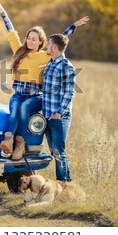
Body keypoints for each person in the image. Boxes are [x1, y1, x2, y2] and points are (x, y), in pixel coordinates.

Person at [0, 0, 88, 161]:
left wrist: (75, 25)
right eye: (28, 38)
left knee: (23, 108)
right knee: (14, 109)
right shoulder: (19, 50)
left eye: (34, 39)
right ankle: (8, 142)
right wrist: (3, 12)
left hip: (35, 96)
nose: (30, 41)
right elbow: (11, 31)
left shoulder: (45, 55)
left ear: (41, 42)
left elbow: (62, 37)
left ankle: (20, 144)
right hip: (19, 93)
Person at [42, 34, 76, 182]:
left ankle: (64, 184)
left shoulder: (66, 66)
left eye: (48, 44)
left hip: (59, 117)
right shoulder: (50, 63)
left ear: (54, 47)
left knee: (58, 152)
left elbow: (69, 93)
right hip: (47, 115)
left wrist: (58, 113)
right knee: (54, 151)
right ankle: (65, 184)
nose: (46, 47)